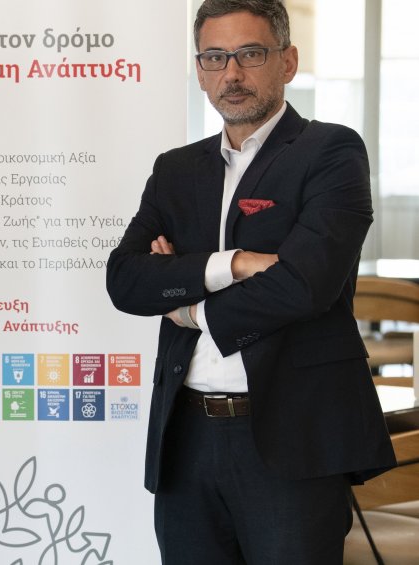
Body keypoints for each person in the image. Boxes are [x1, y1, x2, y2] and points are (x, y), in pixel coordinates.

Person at [106, 1, 396, 563]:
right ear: (199, 70)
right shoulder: (175, 169)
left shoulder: (330, 152)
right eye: (214, 57)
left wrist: (191, 307)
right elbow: (126, 280)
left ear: (287, 62)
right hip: (186, 439)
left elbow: (305, 285)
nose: (231, 73)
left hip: (293, 438)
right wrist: (235, 264)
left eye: (250, 54)